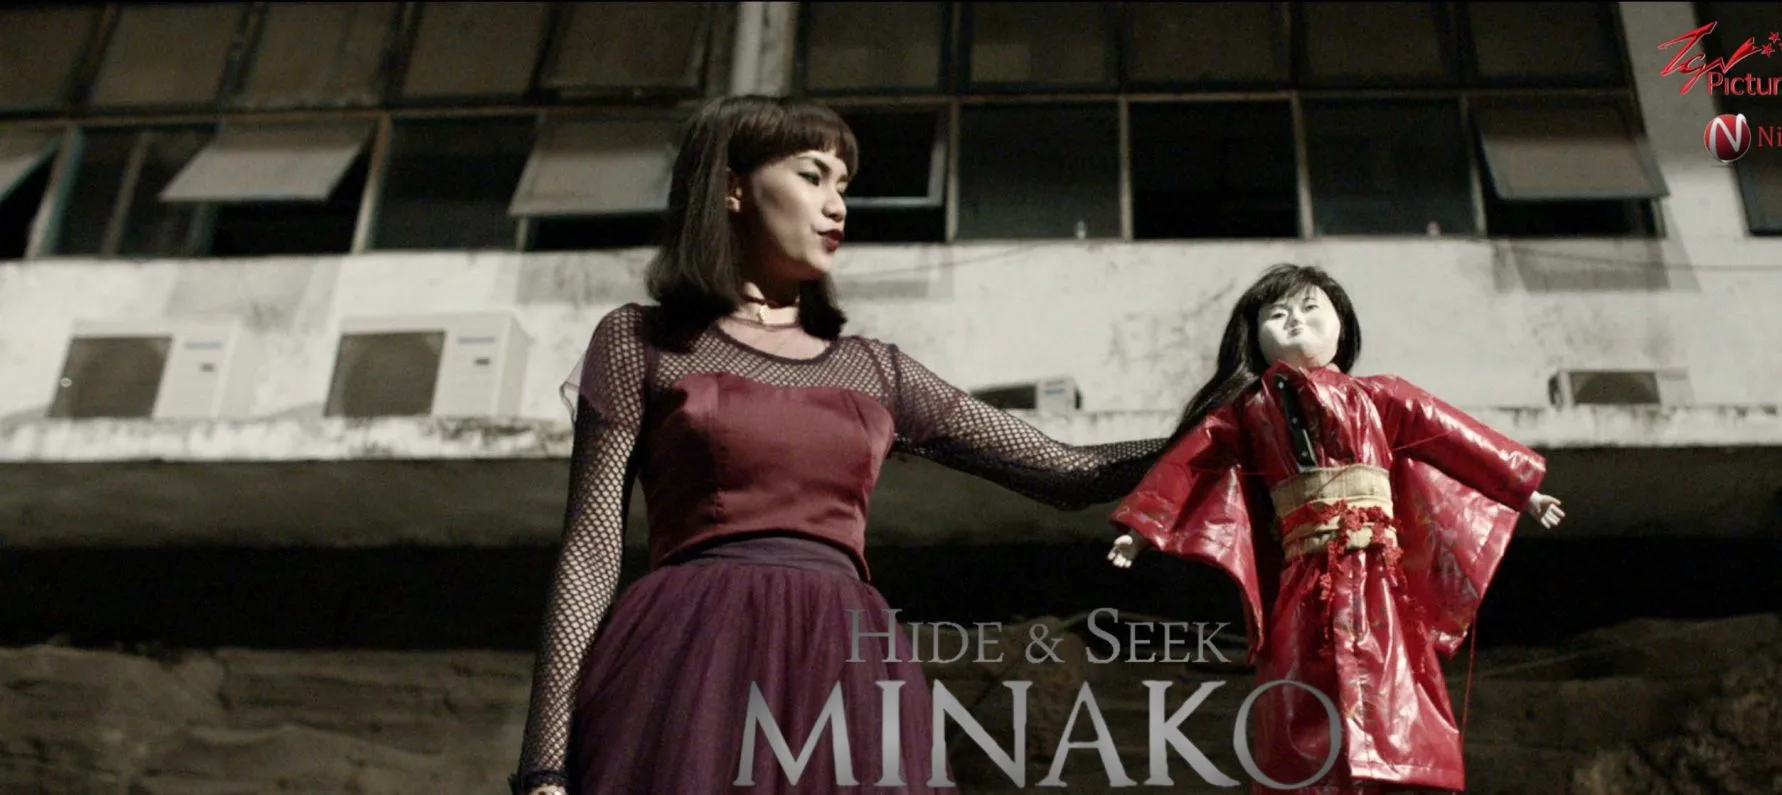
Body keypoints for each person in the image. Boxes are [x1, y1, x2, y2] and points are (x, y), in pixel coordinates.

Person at [509, 95, 1162, 795]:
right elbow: (590, 551)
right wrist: (545, 767)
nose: (837, 206)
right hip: (689, 652)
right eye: (813, 175)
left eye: (844, 185)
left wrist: (1221, 424)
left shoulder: (876, 369)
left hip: (843, 662)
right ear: (732, 187)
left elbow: (1069, 473)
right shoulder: (642, 340)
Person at [1104, 264, 1566, 794]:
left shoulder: (1381, 396)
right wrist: (1141, 526)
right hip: (1306, 575)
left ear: (1341, 324)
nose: (1295, 321)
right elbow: (1188, 466)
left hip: (1378, 576)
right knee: (1300, 689)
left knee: (1395, 685)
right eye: (1278, 314)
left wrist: (1522, 490)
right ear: (1254, 336)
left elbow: (1454, 438)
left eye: (1310, 309)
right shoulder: (1247, 413)